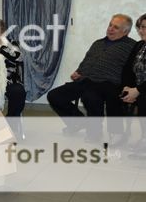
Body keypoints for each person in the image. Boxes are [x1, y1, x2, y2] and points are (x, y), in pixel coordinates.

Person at [47, 14, 136, 142]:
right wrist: (79, 71)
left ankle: (95, 132)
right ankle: (79, 122)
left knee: (90, 96)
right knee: (54, 96)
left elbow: (133, 69)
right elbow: (87, 61)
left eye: (116, 27)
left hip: (109, 83)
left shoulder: (131, 46)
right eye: (110, 25)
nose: (110, 29)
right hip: (86, 80)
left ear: (125, 31)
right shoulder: (98, 43)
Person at [121, 13, 146, 151]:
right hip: (138, 87)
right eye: (140, 27)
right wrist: (127, 87)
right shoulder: (139, 45)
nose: (141, 31)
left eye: (144, 27)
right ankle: (121, 134)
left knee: (143, 99)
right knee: (117, 94)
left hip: (142, 89)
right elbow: (128, 69)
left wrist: (137, 91)